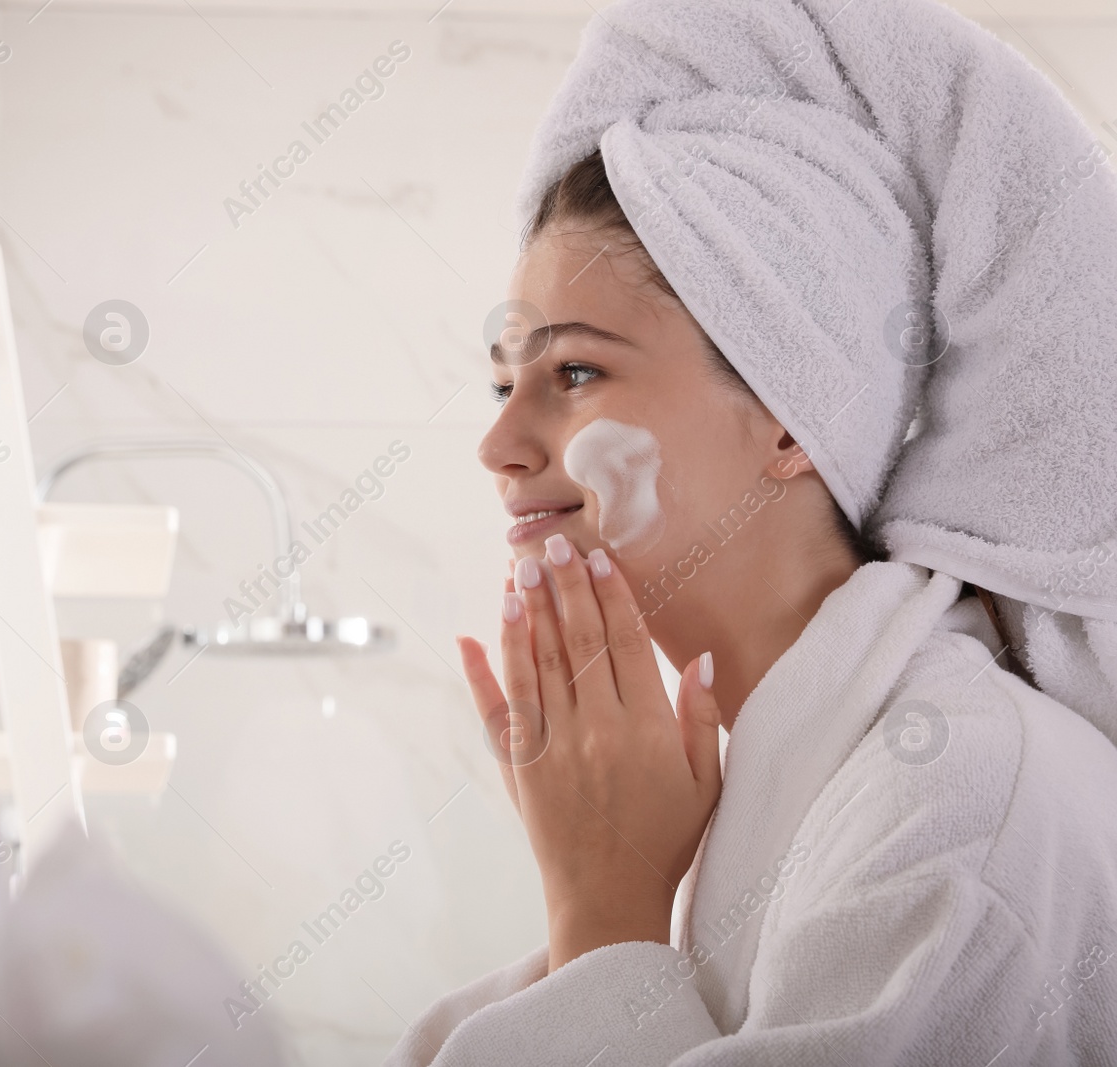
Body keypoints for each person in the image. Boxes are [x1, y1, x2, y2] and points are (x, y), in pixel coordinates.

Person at [387, 0, 1117, 1063]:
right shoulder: (779, 793)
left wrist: (604, 909)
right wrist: (601, 892)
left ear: (786, 414)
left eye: (574, 371)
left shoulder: (954, 806)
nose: (497, 442)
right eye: (504, 382)